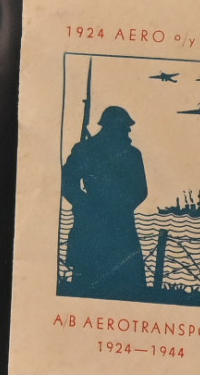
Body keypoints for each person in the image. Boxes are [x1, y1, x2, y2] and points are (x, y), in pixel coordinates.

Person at [60, 105, 148, 297]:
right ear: (112, 126)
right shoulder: (85, 150)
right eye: (124, 126)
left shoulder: (132, 154)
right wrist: (82, 202)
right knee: (87, 284)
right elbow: (66, 180)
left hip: (120, 224)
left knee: (125, 286)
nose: (128, 130)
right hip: (94, 224)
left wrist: (119, 207)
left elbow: (140, 190)